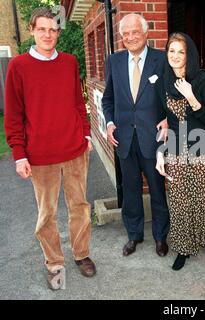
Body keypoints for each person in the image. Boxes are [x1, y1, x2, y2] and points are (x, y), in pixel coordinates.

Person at [4, 7, 96, 290]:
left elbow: (79, 103)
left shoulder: (69, 62)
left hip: (74, 151)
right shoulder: (18, 66)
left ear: (58, 31)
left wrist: (87, 134)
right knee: (47, 215)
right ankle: (54, 263)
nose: (48, 34)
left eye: (53, 29)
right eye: (42, 29)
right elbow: (13, 115)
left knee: (79, 207)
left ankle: (81, 254)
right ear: (32, 30)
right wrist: (19, 154)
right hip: (40, 157)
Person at [102, 13, 170, 258]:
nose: (130, 37)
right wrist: (109, 123)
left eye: (135, 32)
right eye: (125, 34)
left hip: (153, 139)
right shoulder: (114, 61)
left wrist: (168, 118)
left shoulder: (162, 60)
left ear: (146, 33)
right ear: (121, 38)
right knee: (130, 191)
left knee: (157, 190)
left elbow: (172, 96)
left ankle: (161, 237)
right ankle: (134, 234)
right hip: (124, 140)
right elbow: (108, 99)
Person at [155, 32, 205, 271]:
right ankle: (183, 247)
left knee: (202, 197)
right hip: (175, 149)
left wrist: (191, 96)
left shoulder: (202, 79)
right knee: (179, 200)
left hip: (200, 146)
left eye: (181, 51)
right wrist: (160, 152)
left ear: (188, 54)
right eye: (171, 50)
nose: (175, 56)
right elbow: (162, 123)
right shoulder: (163, 82)